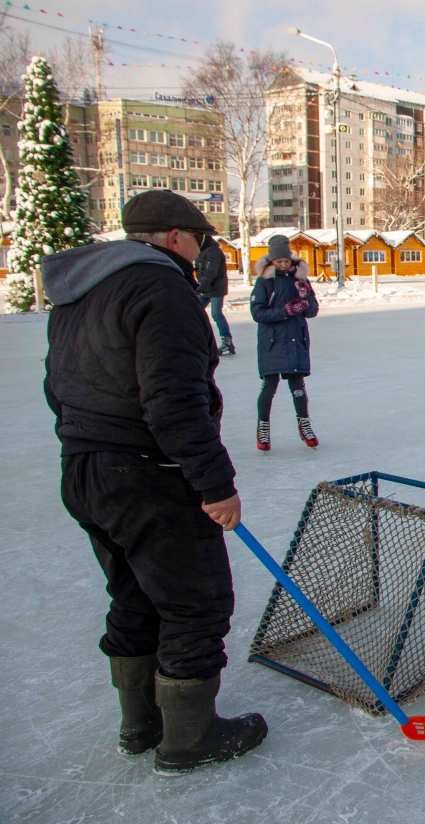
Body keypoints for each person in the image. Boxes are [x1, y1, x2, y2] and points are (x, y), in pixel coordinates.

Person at [41, 190, 266, 775]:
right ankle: (189, 737)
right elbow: (173, 400)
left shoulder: (82, 288)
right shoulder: (161, 287)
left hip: (87, 468)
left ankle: (141, 724)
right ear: (174, 237)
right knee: (197, 602)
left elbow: (56, 387)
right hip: (147, 473)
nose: (202, 253)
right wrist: (215, 484)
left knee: (136, 595)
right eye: (199, 240)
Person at [251, 236, 320, 452]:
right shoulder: (265, 281)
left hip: (295, 340)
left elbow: (312, 311)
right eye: (278, 261)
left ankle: (304, 424)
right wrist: (285, 311)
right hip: (272, 341)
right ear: (271, 261)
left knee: (298, 387)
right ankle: (263, 426)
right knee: (269, 387)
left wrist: (305, 296)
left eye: (286, 260)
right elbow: (257, 312)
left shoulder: (300, 279)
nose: (283, 265)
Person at [195, 235, 234, 356]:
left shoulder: (213, 252)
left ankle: (227, 341)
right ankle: (197, 339)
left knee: (216, 314)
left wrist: (198, 287)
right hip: (206, 287)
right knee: (194, 310)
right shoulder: (201, 251)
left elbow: (211, 272)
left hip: (216, 288)